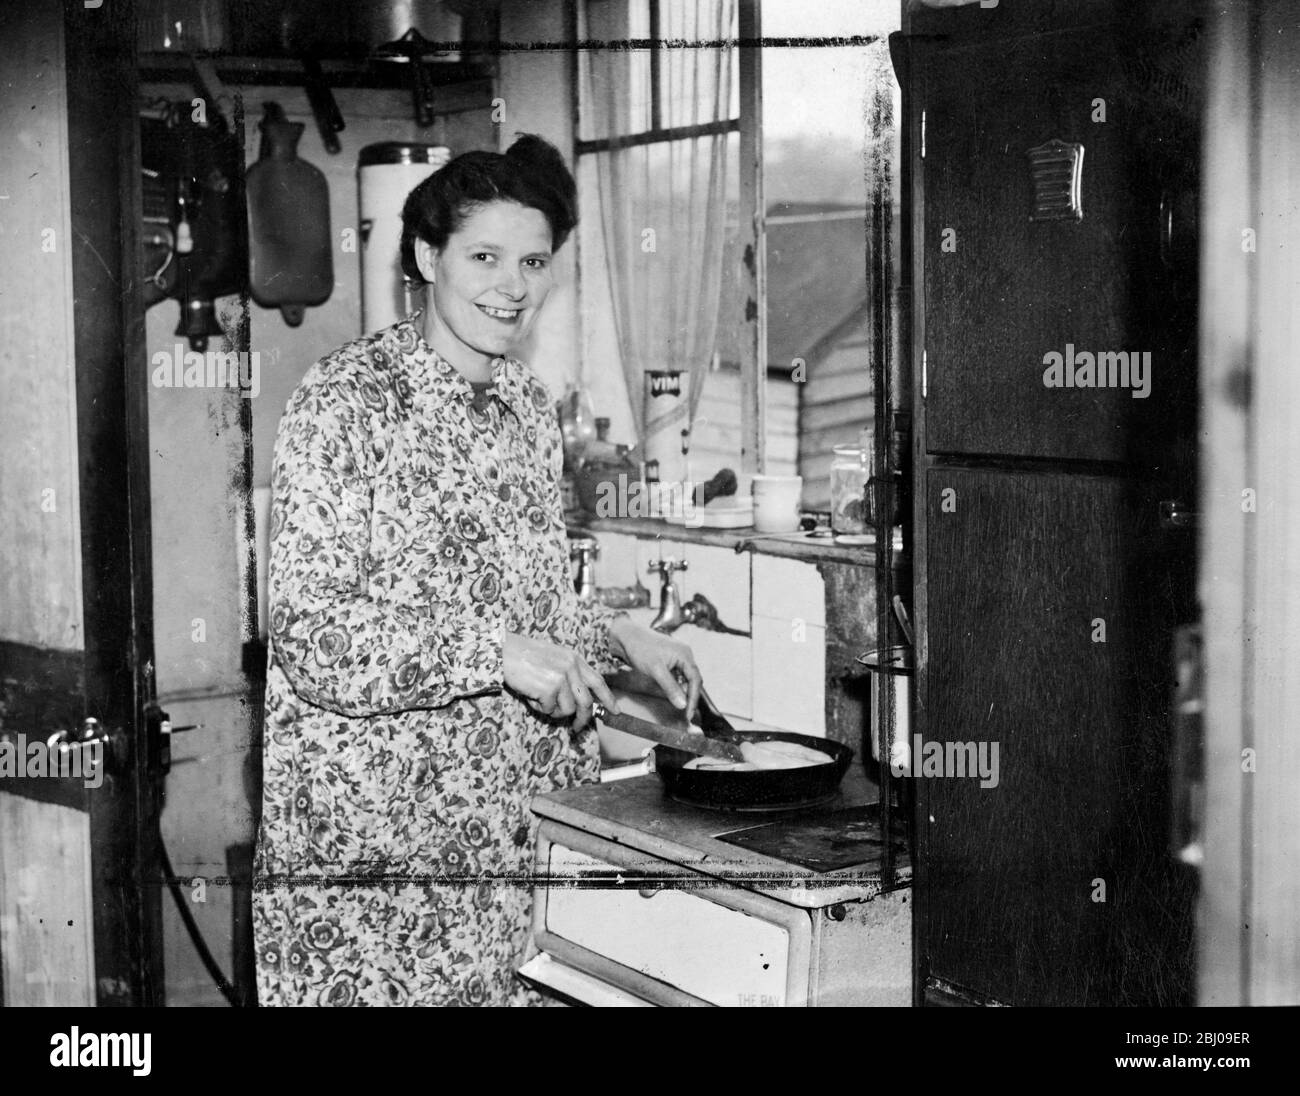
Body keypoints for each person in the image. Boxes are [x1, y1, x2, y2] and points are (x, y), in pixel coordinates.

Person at [253, 134, 701, 1006]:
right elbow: (311, 638)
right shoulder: (345, 403)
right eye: (485, 256)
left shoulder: (528, 410)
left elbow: (524, 608)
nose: (514, 286)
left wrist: (618, 637)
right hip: (381, 857)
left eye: (534, 260)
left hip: (511, 833)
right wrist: (493, 655)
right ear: (428, 257)